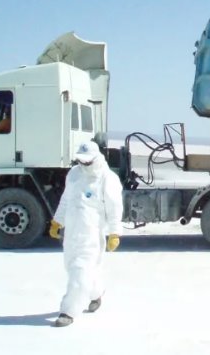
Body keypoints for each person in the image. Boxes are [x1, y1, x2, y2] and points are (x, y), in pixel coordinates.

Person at [49, 140, 123, 327]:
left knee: (80, 271)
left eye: (87, 162)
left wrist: (114, 233)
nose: (84, 165)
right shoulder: (74, 174)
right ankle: (96, 293)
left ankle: (68, 311)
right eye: (81, 161)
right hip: (71, 233)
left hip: (91, 234)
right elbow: (66, 199)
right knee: (75, 268)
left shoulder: (107, 178)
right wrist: (58, 221)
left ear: (96, 158)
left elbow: (115, 208)